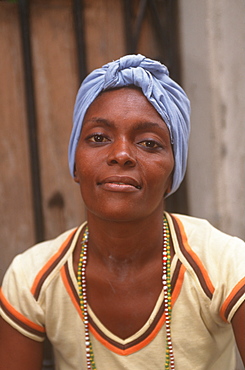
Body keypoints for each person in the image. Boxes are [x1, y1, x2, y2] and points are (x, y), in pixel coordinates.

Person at [0, 54, 244, 370]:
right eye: (99, 138)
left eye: (148, 143)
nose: (122, 155)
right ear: (76, 163)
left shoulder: (224, 264)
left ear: (173, 173)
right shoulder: (32, 279)